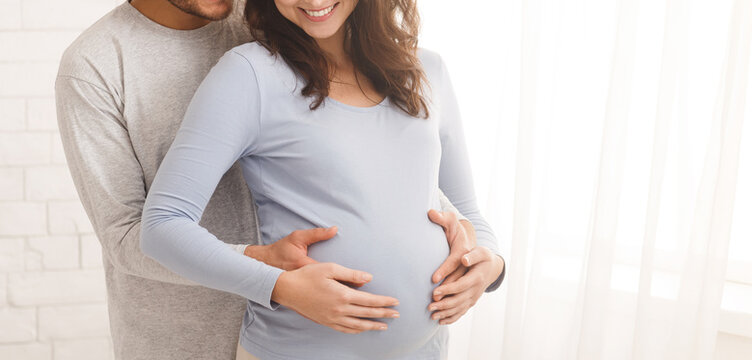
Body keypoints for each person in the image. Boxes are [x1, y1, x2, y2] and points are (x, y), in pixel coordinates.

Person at [54, 0, 505, 358]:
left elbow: (399, 186)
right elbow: (132, 233)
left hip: (408, 341)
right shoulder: (100, 65)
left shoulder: (280, 24)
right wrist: (269, 272)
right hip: (198, 332)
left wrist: (486, 260)